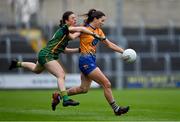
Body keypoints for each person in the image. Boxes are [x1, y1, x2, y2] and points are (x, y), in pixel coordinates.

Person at [8, 11, 101, 110]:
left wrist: (78, 50)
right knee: (61, 75)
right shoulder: (65, 28)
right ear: (66, 21)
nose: (75, 19)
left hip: (45, 53)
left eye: (75, 18)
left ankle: (17, 63)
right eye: (72, 18)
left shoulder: (65, 32)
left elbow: (64, 50)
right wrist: (90, 31)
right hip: (48, 55)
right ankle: (65, 99)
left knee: (36, 69)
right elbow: (78, 32)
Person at [52, 9, 130, 116]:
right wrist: (61, 44)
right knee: (106, 83)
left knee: (83, 89)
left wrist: (123, 51)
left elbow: (109, 44)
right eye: (102, 21)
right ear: (95, 19)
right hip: (86, 60)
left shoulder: (99, 31)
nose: (103, 23)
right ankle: (116, 109)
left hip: (91, 60)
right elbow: (69, 35)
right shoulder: (84, 29)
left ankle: (59, 96)